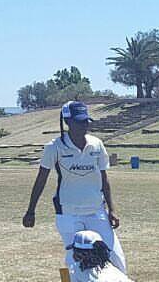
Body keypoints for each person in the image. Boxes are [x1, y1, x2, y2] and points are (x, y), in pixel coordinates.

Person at [23, 101, 126, 272]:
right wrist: (31, 211)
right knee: (77, 263)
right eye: (79, 122)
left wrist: (112, 209)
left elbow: (104, 178)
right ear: (67, 122)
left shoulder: (96, 144)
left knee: (116, 258)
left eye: (86, 121)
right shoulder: (54, 147)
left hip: (96, 211)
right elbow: (41, 179)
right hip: (69, 214)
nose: (84, 125)